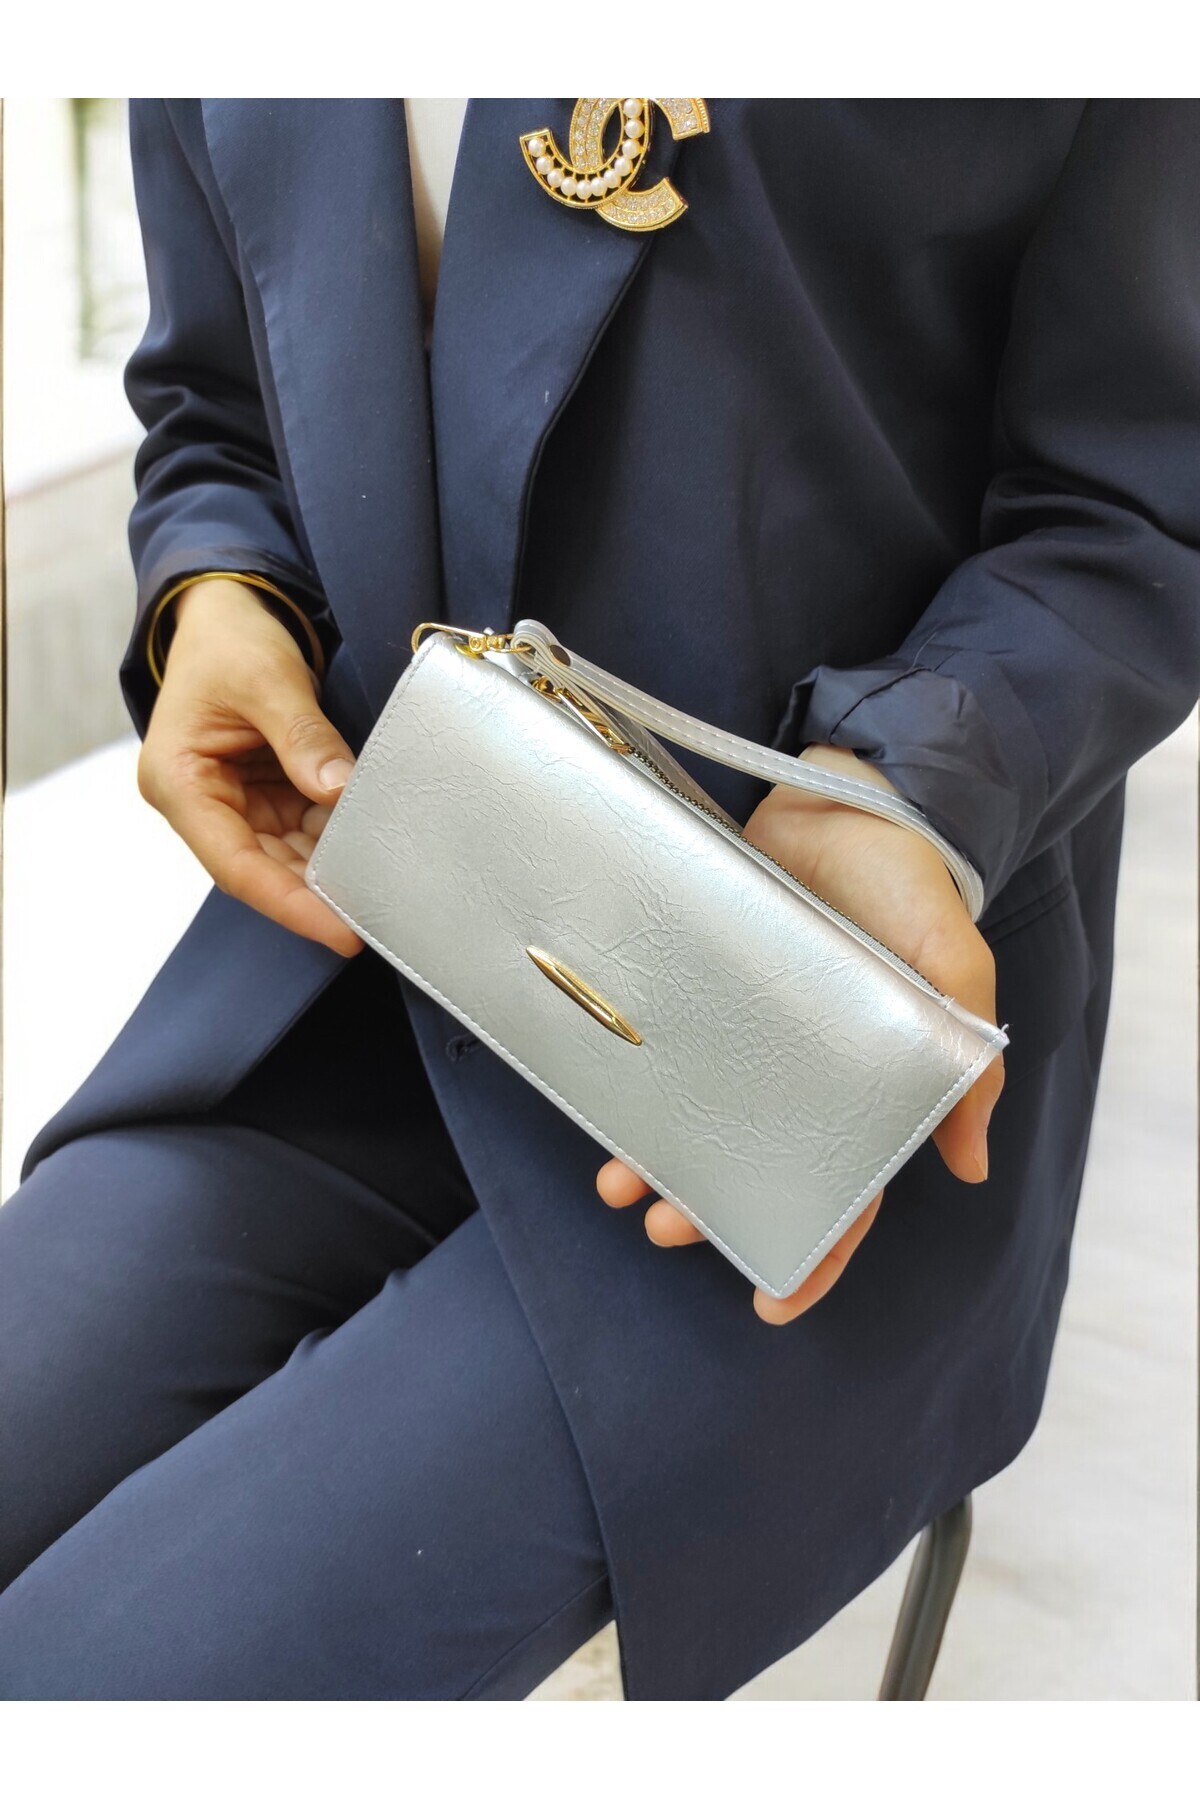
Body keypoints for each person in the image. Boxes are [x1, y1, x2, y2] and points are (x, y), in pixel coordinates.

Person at [0, 98, 1196, 1700]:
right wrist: (220, 588)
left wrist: (909, 784)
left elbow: (1138, 488)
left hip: (784, 1054)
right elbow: (214, 394)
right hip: (352, 980)